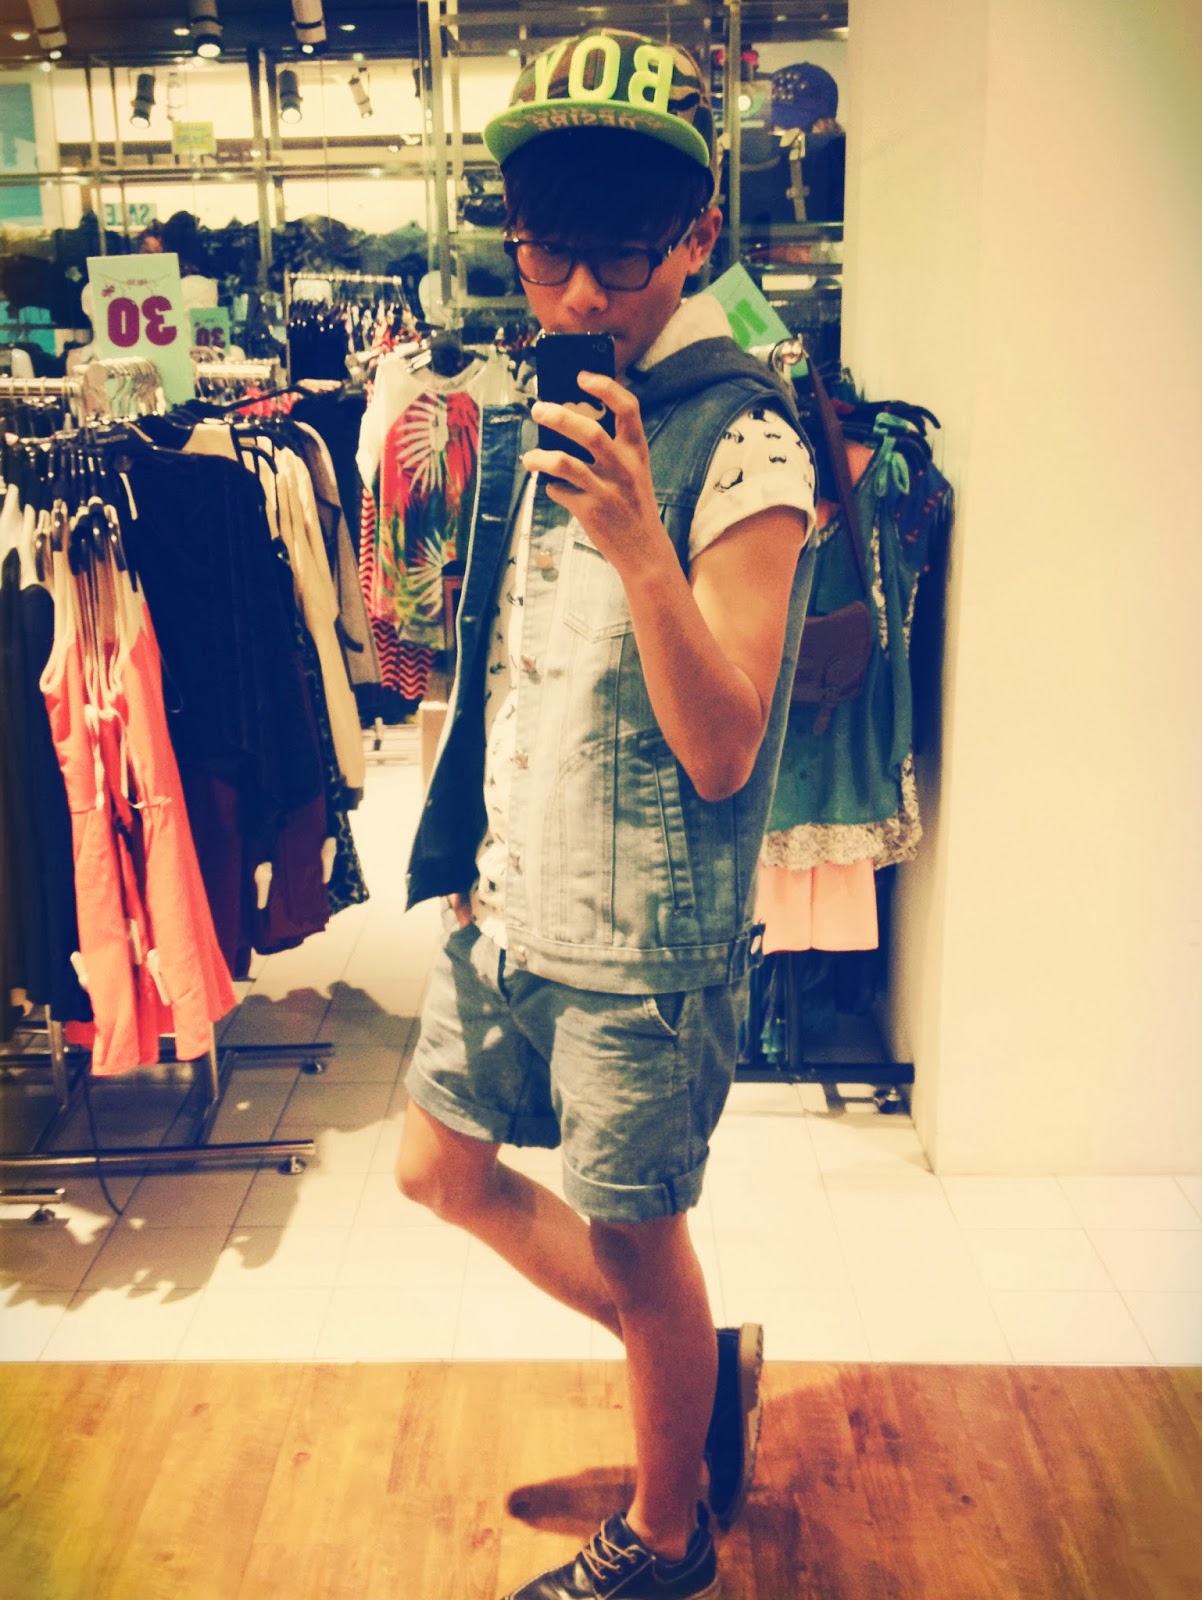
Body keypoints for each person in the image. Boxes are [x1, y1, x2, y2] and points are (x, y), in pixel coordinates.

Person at [395, 28, 817, 1600]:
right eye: (546, 255)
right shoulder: (547, 402)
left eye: (619, 259)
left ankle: (664, 1538)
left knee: (638, 1239)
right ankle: (691, 1377)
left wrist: (643, 541)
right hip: (513, 894)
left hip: (640, 936)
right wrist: (465, 840)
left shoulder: (744, 437)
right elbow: (520, 661)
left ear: (694, 238)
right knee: (437, 1169)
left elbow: (722, 751)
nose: (578, 296)